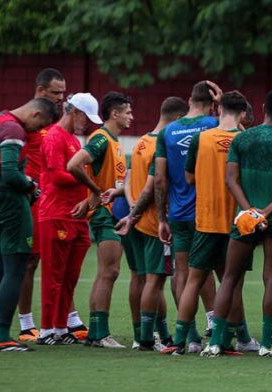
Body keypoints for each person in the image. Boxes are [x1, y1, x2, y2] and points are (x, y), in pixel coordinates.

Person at [201, 89, 272, 357]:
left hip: (244, 219)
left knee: (229, 278)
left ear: (263, 107)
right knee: (271, 278)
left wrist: (250, 212)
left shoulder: (243, 138)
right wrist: (266, 213)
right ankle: (267, 344)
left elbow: (230, 179)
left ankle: (216, 342)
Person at [160, 91, 258, 356]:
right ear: (242, 114)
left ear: (219, 110)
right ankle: (226, 340)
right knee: (231, 282)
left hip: (205, 220)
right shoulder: (245, 140)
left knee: (193, 280)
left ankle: (180, 341)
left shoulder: (201, 139)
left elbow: (189, 178)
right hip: (236, 224)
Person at [0, 98, 60, 351]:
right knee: (15, 268)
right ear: (35, 113)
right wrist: (32, 187)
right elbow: (10, 172)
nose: (36, 131)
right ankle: (3, 336)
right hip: (10, 200)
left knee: (3, 269)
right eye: (40, 124)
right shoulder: (14, 129)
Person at [114, 97, 188, 351]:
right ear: (178, 119)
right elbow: (152, 186)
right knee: (155, 282)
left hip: (133, 221)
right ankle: (147, 339)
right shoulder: (163, 144)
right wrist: (137, 214)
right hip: (151, 223)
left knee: (140, 278)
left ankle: (152, 335)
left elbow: (128, 177)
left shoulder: (142, 141)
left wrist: (130, 210)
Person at [154, 81, 222, 353]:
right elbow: (238, 134)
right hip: (207, 214)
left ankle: (189, 336)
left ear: (189, 99)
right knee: (216, 272)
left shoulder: (168, 131)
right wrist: (222, 103)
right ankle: (221, 331)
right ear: (212, 103)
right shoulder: (213, 125)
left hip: (179, 214)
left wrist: (162, 218)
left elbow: (159, 179)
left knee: (183, 274)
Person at [67, 91, 131, 348]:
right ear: (114, 113)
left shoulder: (112, 141)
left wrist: (91, 195)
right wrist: (94, 192)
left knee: (107, 273)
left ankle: (96, 332)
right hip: (106, 215)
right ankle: (101, 333)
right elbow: (74, 165)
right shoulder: (101, 139)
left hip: (108, 211)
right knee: (109, 272)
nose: (131, 116)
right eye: (127, 111)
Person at [36, 93, 102, 345]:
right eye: (86, 117)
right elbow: (57, 177)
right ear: (75, 112)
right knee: (53, 277)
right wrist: (91, 183)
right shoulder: (54, 137)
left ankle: (61, 327)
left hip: (75, 216)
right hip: (56, 215)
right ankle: (46, 330)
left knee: (69, 277)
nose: (87, 124)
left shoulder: (72, 139)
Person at [18, 68, 71, 342]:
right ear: (40, 90)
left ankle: (66, 320)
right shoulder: (27, 122)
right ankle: (26, 323)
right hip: (30, 202)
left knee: (60, 260)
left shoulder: (55, 123)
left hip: (52, 202)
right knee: (29, 262)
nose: (61, 98)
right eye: (55, 92)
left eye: (63, 93)